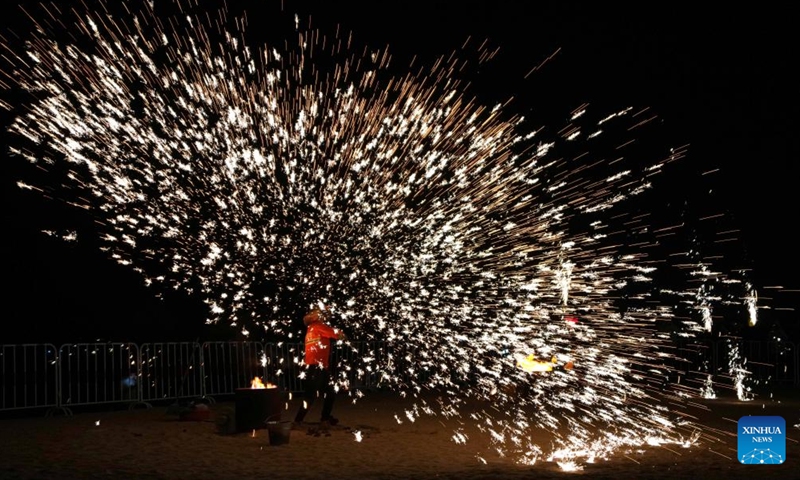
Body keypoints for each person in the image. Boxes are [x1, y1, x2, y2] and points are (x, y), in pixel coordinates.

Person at [293, 305, 346, 428]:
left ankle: (324, 419)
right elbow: (336, 334)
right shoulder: (319, 326)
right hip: (317, 367)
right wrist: (342, 334)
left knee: (327, 392)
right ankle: (299, 421)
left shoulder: (310, 329)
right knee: (313, 395)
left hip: (314, 366)